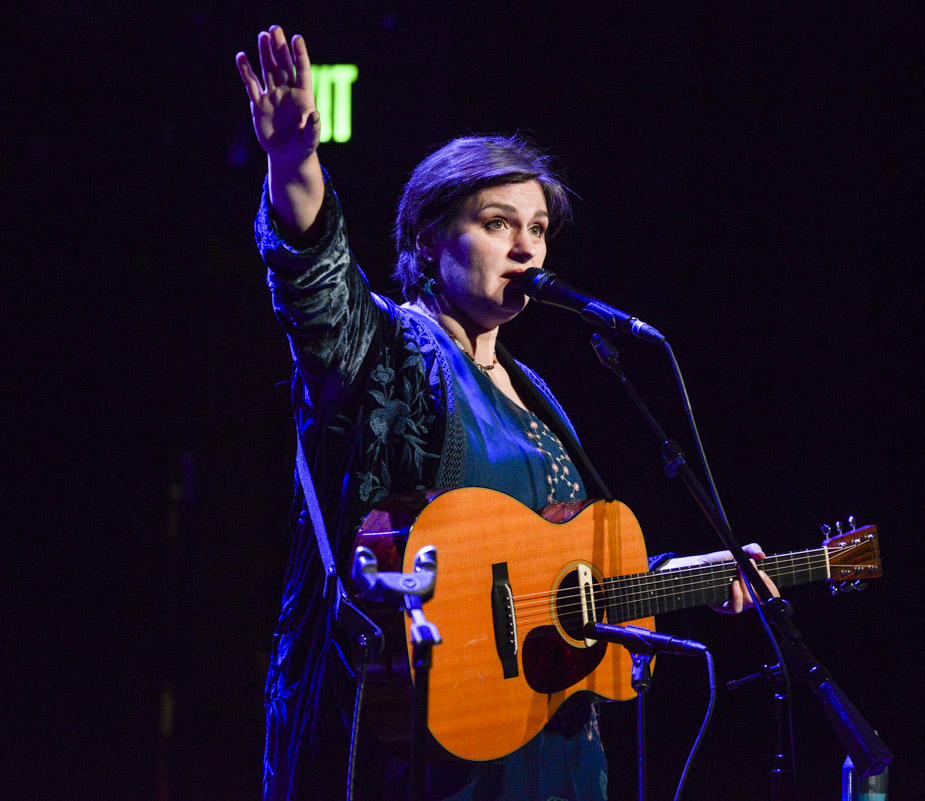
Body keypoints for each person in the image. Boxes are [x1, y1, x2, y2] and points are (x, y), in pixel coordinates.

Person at [237, 25, 777, 801]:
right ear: (427, 243)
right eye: (497, 224)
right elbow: (316, 284)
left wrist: (680, 577)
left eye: (538, 230)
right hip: (421, 749)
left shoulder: (541, 400)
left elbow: (563, 575)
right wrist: (294, 162)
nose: (527, 249)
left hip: (551, 750)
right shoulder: (383, 348)